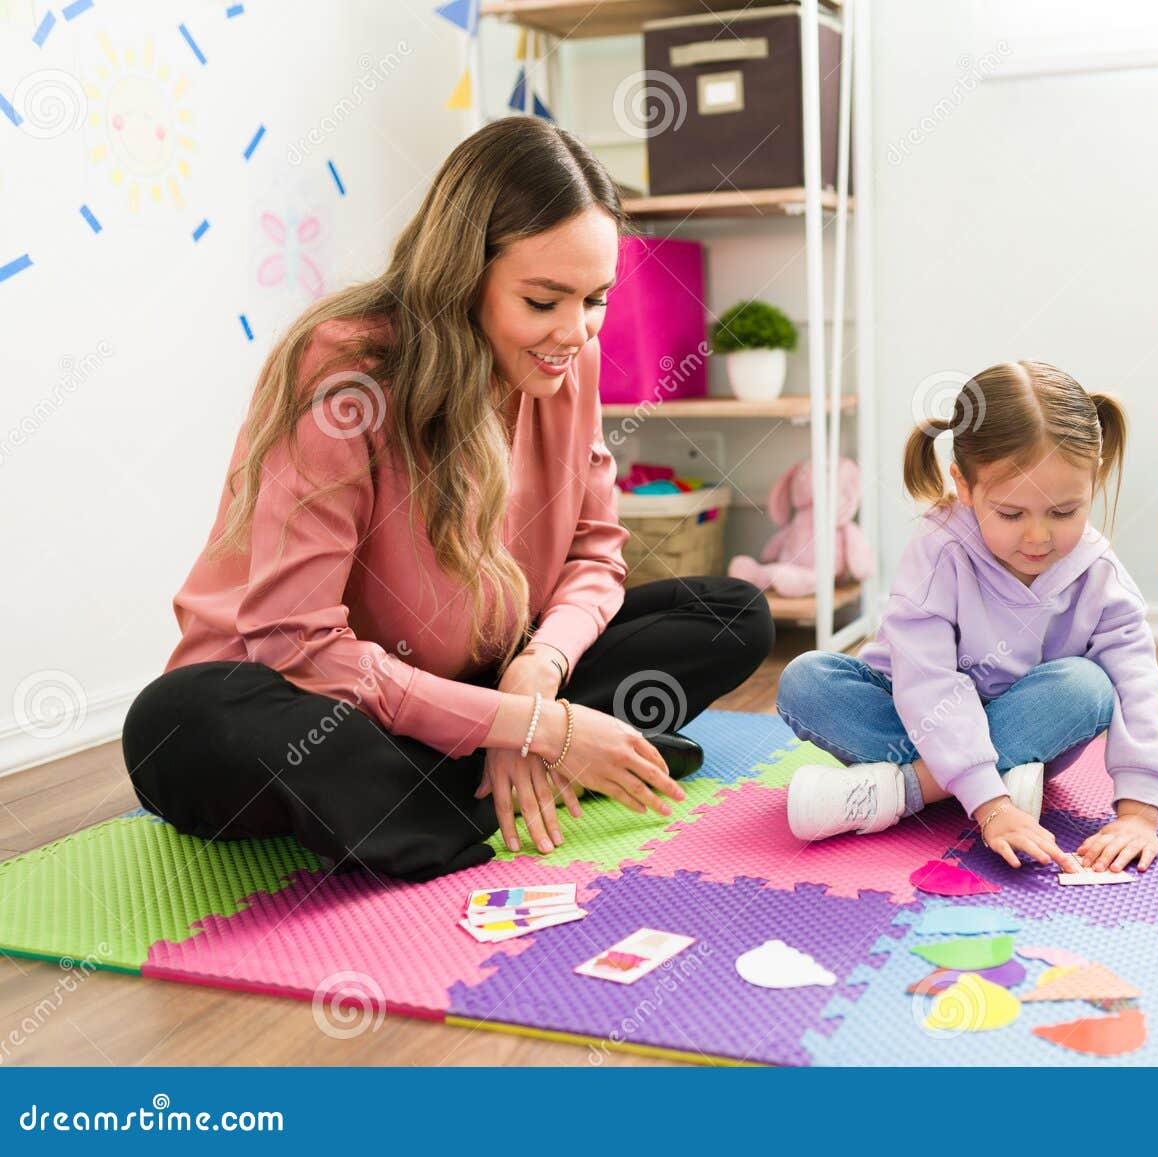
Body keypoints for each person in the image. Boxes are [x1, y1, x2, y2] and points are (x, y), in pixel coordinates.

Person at [121, 117, 774, 883]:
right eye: (543, 300)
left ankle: (475, 768)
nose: (575, 331)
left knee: (733, 612)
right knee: (174, 720)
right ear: (464, 274)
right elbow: (295, 644)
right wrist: (537, 726)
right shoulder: (347, 371)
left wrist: (537, 674)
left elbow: (597, 553)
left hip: (478, 674)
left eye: (595, 298)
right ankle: (533, 759)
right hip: (309, 694)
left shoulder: (575, 362)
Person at [776, 361, 1158, 874]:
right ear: (963, 484)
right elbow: (927, 684)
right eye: (1011, 514)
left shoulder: (1097, 573)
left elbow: (1135, 684)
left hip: (1026, 725)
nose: (1038, 537)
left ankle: (901, 790)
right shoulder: (939, 549)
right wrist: (992, 803)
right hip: (916, 717)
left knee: (1088, 687)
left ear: (1092, 482)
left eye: (1064, 512)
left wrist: (1139, 813)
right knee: (806, 680)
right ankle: (983, 782)